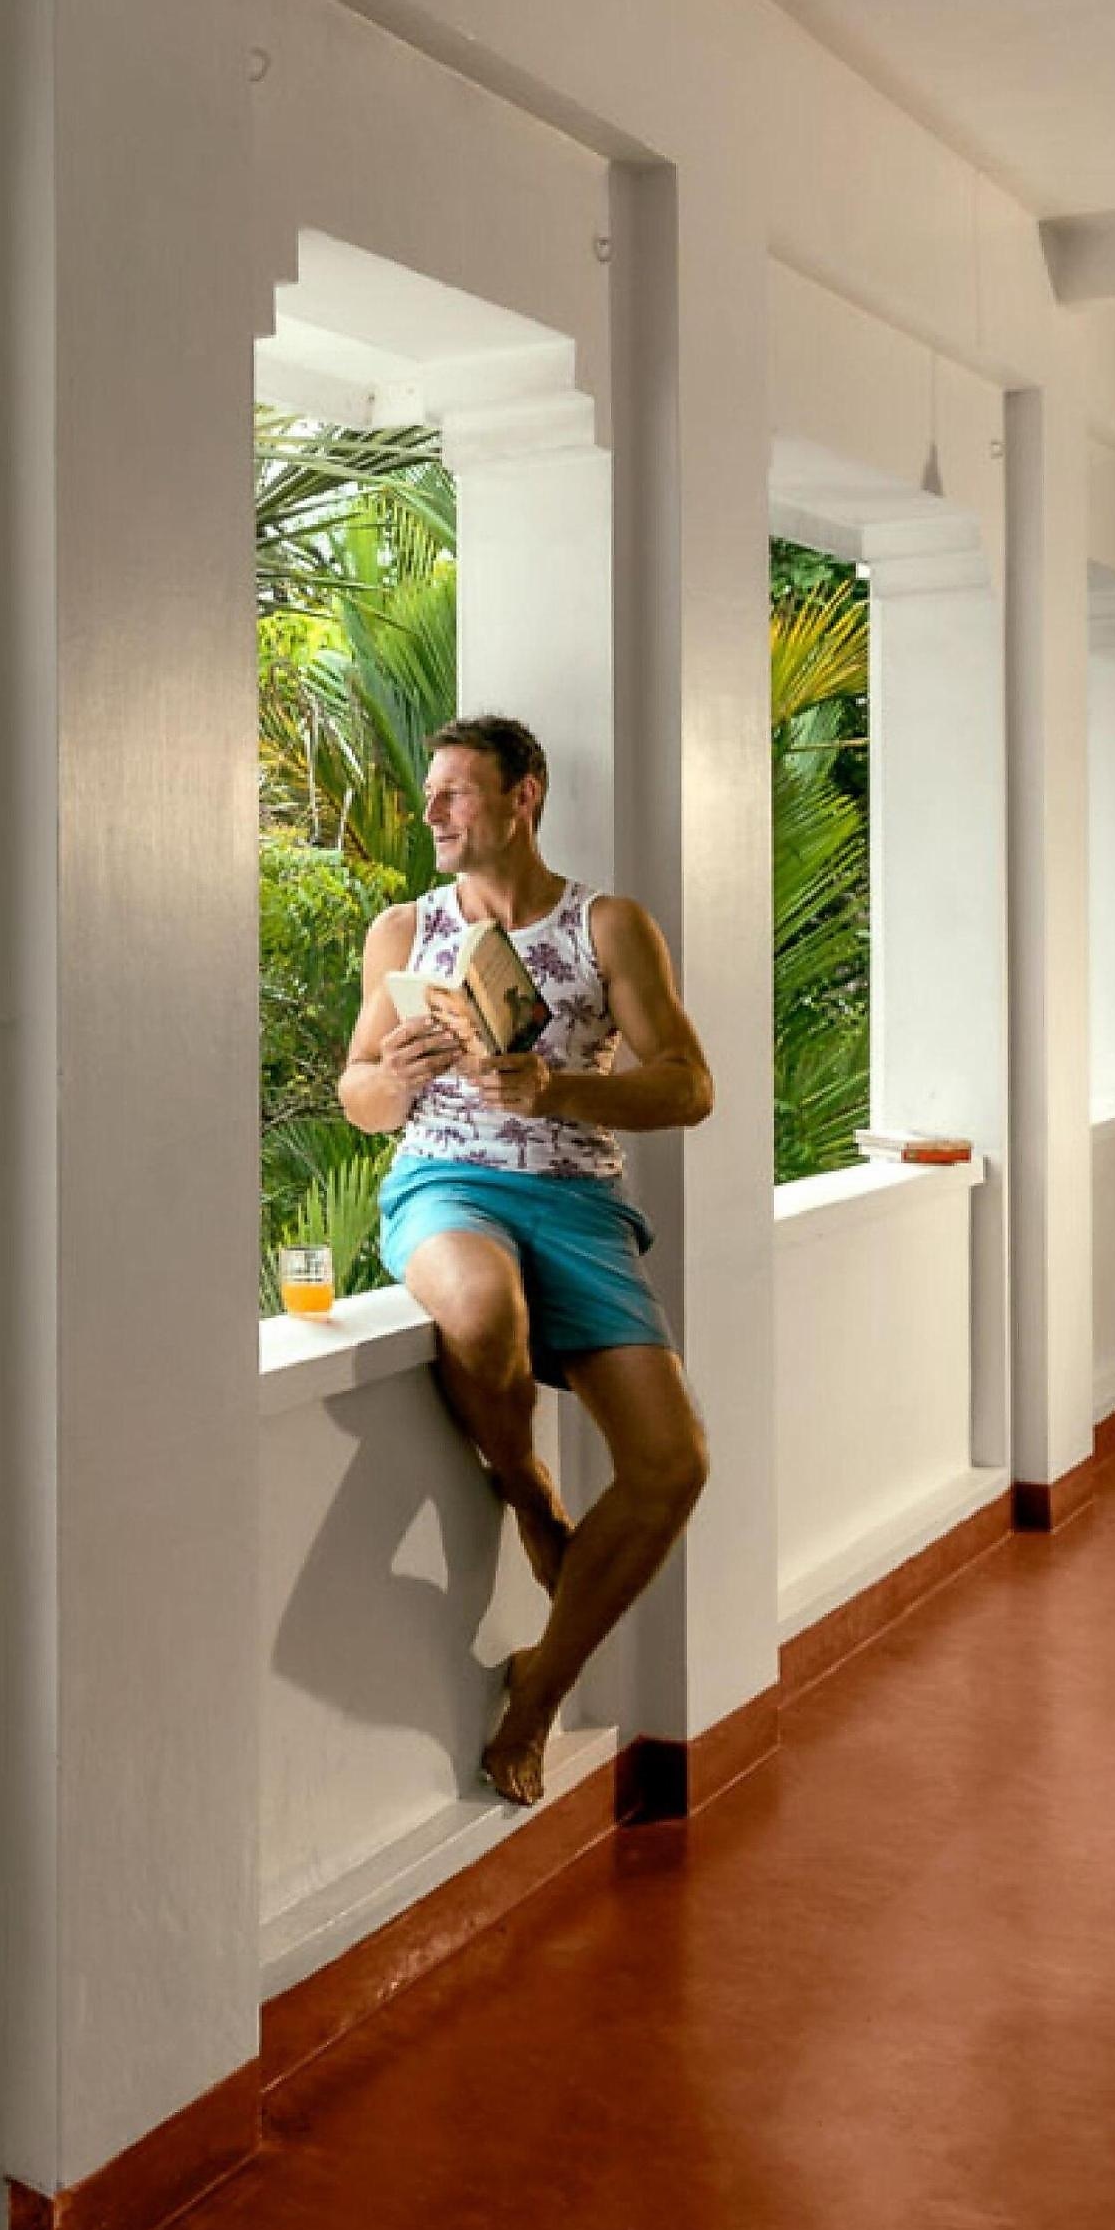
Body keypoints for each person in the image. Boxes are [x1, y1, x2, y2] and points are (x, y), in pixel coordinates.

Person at [334, 715, 714, 1807]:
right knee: (483, 1314)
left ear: (523, 797)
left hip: (580, 1203)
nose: (433, 812)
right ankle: (530, 1491)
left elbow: (688, 1085)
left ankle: (539, 1686)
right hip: (446, 1184)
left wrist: (557, 1089)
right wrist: (397, 1075)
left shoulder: (608, 925)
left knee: (673, 1465)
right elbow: (357, 1097)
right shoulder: (404, 930)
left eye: (456, 791)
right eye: (432, 793)